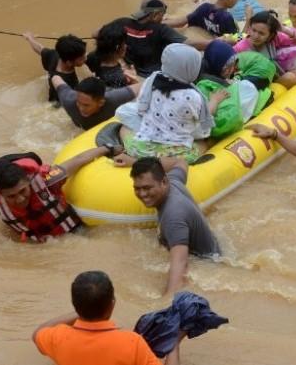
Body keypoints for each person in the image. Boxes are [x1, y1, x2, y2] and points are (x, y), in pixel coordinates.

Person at [0, 147, 115, 242]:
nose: (20, 199)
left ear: (28, 181)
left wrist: (109, 148)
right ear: (1, 194)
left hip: (76, 234)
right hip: (35, 244)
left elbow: (78, 160)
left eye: (23, 191)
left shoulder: (47, 180)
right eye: (11, 196)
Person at [115, 43, 227, 164]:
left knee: (124, 125)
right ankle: (164, 161)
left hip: (140, 150)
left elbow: (142, 105)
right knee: (203, 142)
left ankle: (134, 156)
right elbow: (206, 118)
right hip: (175, 154)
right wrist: (215, 100)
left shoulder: (152, 78)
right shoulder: (192, 95)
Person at [32, 270, 174, 365]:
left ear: (75, 305)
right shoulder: (132, 343)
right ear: (112, 304)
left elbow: (37, 333)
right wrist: (174, 339)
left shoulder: (59, 338)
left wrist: (82, 308)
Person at [129, 157, 220, 295]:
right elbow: (180, 162)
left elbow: (180, 263)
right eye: (137, 188)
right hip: (213, 250)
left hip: (207, 266)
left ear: (163, 182)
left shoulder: (173, 216)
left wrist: (167, 300)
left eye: (147, 188)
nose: (142, 194)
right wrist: (133, 161)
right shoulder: (174, 180)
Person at [112, 0, 207, 78]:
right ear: (155, 15)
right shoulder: (161, 30)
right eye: (162, 14)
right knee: (202, 63)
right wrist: (215, 42)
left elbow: (97, 34)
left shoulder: (123, 23)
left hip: (130, 70)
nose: (163, 18)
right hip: (152, 76)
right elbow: (191, 44)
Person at [196, 40, 272, 139]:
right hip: (221, 123)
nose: (231, 69)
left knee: (248, 87)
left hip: (224, 116)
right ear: (216, 65)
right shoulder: (204, 84)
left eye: (232, 65)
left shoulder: (216, 74)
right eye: (226, 67)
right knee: (248, 87)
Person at [233, 10, 296, 88]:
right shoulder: (240, 48)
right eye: (254, 30)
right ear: (249, 28)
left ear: (270, 35)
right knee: (290, 78)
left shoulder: (274, 39)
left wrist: (284, 29)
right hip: (261, 83)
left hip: (276, 76)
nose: (255, 36)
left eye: (261, 33)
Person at [22, 32, 88, 105]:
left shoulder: (54, 55)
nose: (86, 58)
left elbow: (40, 49)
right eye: (82, 58)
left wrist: (30, 38)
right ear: (69, 63)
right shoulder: (67, 83)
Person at [52, 75, 138, 130]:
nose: (81, 108)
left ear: (101, 103)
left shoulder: (114, 99)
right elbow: (55, 77)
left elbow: (143, 86)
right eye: (78, 102)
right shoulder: (69, 101)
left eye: (86, 105)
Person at [163, 0, 240, 38]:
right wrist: (247, 23)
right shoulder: (227, 17)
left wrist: (158, 23)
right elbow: (238, 40)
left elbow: (181, 22)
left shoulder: (204, 8)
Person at [86, 20, 139, 89]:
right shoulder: (119, 78)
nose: (126, 46)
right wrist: (133, 81)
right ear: (117, 48)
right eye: (124, 43)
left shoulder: (91, 56)